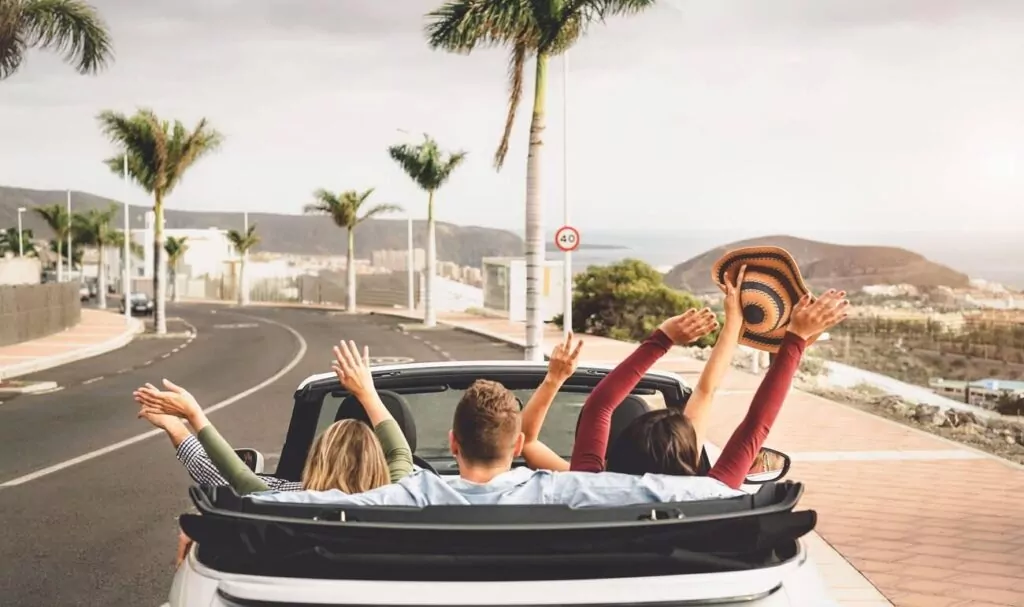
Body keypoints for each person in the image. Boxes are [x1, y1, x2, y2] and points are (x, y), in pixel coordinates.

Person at [249, 376, 746, 508]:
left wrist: (230, 512)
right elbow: (650, 489)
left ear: (452, 441)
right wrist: (741, 495)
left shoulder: (405, 497)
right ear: (519, 446)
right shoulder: (561, 492)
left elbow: (293, 500)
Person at [599, 289, 849, 489]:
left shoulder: (584, 486)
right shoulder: (713, 492)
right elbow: (715, 399)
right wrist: (791, 334)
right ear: (692, 461)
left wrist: (661, 339)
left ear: (617, 453)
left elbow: (599, 407)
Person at [523, 267, 746, 472]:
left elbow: (528, 441)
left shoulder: (583, 483)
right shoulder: (697, 495)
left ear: (619, 450)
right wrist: (735, 319)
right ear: (690, 456)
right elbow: (706, 392)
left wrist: (554, 378)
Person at [135, 340, 413, 494]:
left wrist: (183, 422)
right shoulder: (402, 494)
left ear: (317, 458)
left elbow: (231, 474)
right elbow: (400, 452)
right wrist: (366, 391)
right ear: (379, 461)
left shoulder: (284, 498)